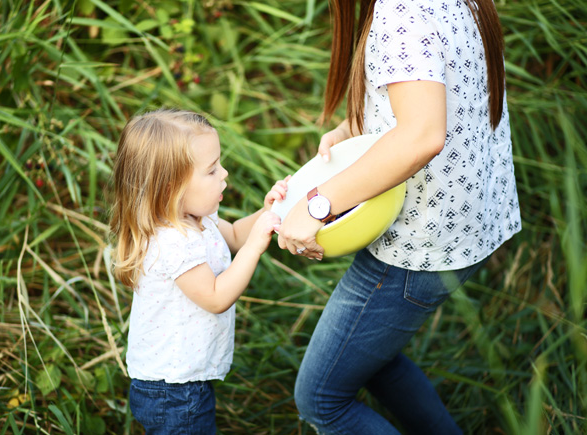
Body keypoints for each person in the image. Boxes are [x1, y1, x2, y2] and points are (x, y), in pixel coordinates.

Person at [277, 0, 521, 433]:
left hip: (415, 244)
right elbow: (439, 97)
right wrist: (357, 127)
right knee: (373, 360)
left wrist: (318, 204)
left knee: (322, 398)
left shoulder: (399, 10)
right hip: (471, 223)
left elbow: (421, 136)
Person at [110, 109, 286, 434]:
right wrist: (255, 247)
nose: (224, 173)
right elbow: (216, 297)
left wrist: (269, 212)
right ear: (171, 187)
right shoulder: (173, 240)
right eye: (212, 170)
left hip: (182, 382)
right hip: (173, 391)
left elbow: (233, 235)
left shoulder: (195, 217)